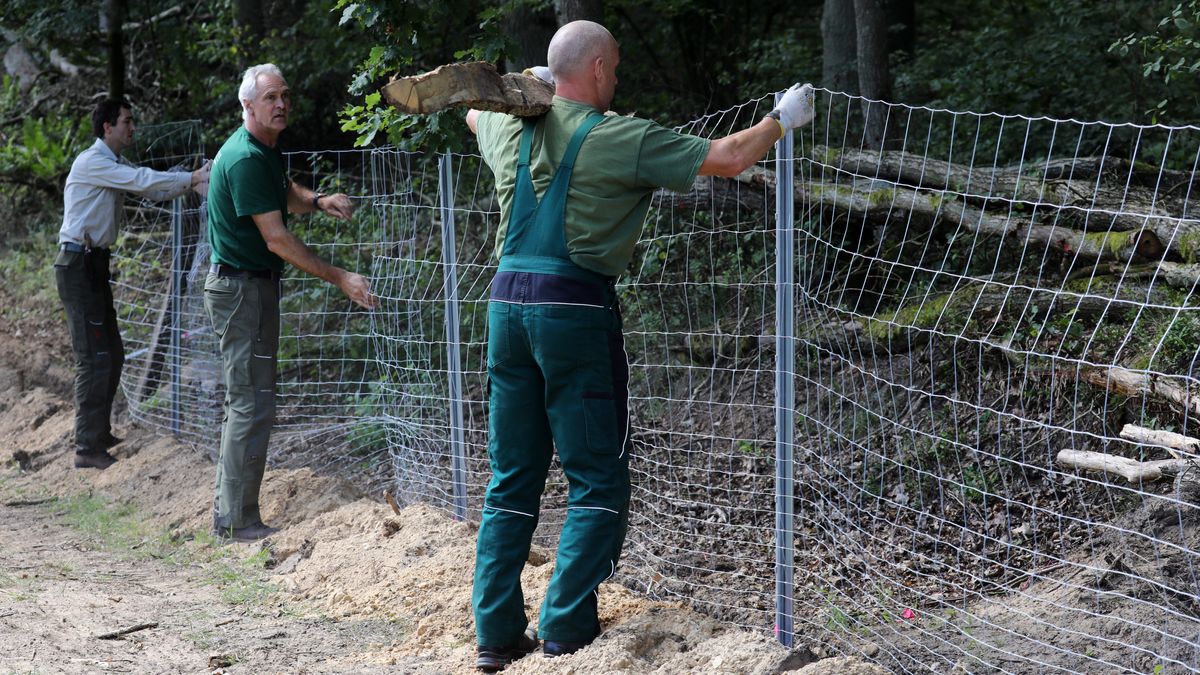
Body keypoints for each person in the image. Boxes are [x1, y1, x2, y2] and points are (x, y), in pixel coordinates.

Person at [464, 20, 814, 672]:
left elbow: (471, 112)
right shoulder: (622, 137)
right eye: (615, 68)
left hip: (504, 309)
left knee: (512, 477)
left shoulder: (507, 128)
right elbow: (733, 157)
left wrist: (529, 88)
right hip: (572, 309)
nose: (617, 78)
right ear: (596, 69)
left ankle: (496, 636)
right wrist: (782, 119)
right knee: (596, 474)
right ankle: (566, 630)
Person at [204, 63, 376, 542]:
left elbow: (280, 196)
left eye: (285, 96)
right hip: (242, 292)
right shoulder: (243, 158)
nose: (281, 104)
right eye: (270, 98)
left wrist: (317, 201)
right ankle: (237, 522)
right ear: (247, 106)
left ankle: (230, 513)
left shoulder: (261, 153)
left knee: (249, 400)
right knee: (250, 403)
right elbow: (277, 238)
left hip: (249, 288)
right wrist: (339, 276)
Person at [56, 98, 210, 470]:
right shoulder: (94, 162)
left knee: (113, 352)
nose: (132, 128)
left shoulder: (112, 163)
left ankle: (98, 432)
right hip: (79, 265)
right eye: (126, 121)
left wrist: (191, 181)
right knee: (93, 357)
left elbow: (151, 188)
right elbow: (142, 181)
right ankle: (86, 447)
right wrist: (191, 178)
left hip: (92, 264)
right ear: (107, 127)